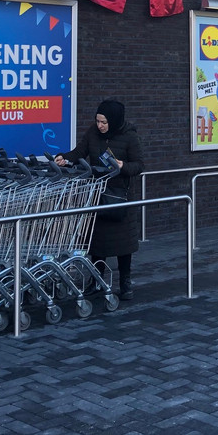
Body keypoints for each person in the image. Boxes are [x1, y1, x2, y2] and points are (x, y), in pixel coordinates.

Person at [55, 100, 145, 299]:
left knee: (123, 243)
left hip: (120, 197)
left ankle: (125, 282)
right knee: (97, 242)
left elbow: (139, 165)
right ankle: (96, 280)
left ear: (113, 121)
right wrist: (65, 158)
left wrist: (122, 166)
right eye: (98, 121)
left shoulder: (129, 137)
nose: (100, 125)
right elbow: (80, 152)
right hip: (97, 193)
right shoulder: (93, 133)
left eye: (104, 122)